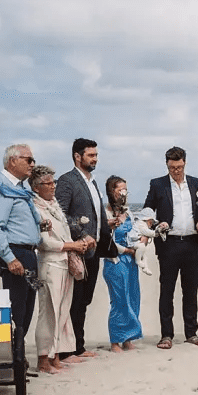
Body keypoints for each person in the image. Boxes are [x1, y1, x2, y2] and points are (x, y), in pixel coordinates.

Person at [143, 146, 198, 349]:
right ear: (167, 165)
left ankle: (191, 333)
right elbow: (147, 211)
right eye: (172, 167)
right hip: (169, 244)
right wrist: (156, 225)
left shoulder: (196, 183)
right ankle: (166, 335)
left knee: (190, 291)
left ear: (185, 163)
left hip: (192, 243)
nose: (176, 171)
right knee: (167, 291)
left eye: (179, 167)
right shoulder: (158, 184)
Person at [55, 138, 116, 359]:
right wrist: (81, 234)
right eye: (91, 155)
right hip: (76, 250)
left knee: (85, 300)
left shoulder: (93, 182)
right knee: (74, 300)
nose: (95, 159)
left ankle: (78, 346)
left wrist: (104, 228)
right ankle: (67, 350)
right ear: (77, 156)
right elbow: (59, 214)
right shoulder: (67, 181)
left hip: (94, 251)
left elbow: (94, 214)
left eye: (96, 155)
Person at [0, 144, 41, 364]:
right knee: (17, 308)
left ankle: (18, 355)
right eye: (29, 159)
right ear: (12, 161)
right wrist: (10, 258)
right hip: (16, 253)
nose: (33, 164)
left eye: (33, 160)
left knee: (27, 308)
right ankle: (13, 357)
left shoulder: (18, 188)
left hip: (28, 253)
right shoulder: (1, 187)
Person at [30, 165, 91, 373]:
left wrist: (78, 243)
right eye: (47, 184)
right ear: (36, 187)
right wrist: (72, 246)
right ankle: (42, 360)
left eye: (53, 182)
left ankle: (56, 356)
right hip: (49, 264)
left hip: (65, 262)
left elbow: (64, 231)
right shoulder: (35, 208)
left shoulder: (54, 204)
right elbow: (44, 243)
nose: (53, 187)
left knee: (63, 311)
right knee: (48, 313)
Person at [102, 176, 145, 352]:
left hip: (132, 262)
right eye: (121, 190)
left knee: (133, 297)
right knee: (119, 300)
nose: (124, 194)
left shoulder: (130, 213)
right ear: (112, 192)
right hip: (116, 260)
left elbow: (137, 231)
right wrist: (127, 250)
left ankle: (128, 337)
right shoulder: (106, 213)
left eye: (126, 190)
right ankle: (115, 340)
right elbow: (107, 241)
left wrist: (143, 240)